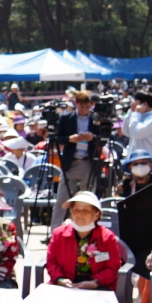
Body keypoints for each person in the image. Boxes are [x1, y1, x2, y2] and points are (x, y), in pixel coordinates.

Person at [50, 91, 106, 227]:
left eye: (88, 107)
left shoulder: (95, 119)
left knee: (87, 200)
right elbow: (56, 138)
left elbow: (103, 140)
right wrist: (70, 139)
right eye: (82, 107)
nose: (84, 110)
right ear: (76, 104)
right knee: (61, 199)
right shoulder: (66, 118)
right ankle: (55, 231)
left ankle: (87, 228)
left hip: (88, 162)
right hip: (70, 163)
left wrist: (92, 138)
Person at [45, 191, 121, 290]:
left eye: (85, 211)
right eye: (76, 210)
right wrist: (60, 279)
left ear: (96, 215)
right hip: (64, 284)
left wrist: (95, 282)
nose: (80, 215)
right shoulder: (59, 234)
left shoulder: (107, 237)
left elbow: (112, 267)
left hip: (98, 285)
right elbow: (51, 262)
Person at [121, 91, 152, 165]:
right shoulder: (138, 114)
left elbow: (135, 133)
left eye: (135, 103)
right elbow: (125, 131)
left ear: (144, 104)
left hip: (150, 163)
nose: (132, 104)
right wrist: (131, 112)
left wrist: (135, 113)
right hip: (136, 161)